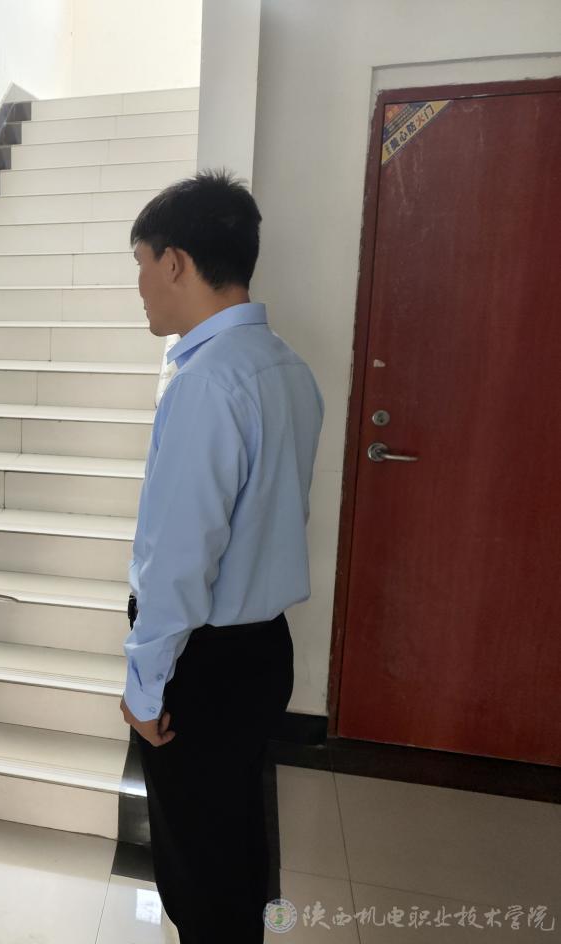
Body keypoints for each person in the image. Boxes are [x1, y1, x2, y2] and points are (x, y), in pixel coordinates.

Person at [119, 170, 323, 943]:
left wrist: (145, 686)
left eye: (141, 264)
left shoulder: (206, 385)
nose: (140, 286)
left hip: (200, 664)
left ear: (174, 262)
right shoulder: (286, 367)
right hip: (261, 650)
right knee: (236, 841)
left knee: (198, 865)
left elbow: (179, 564)